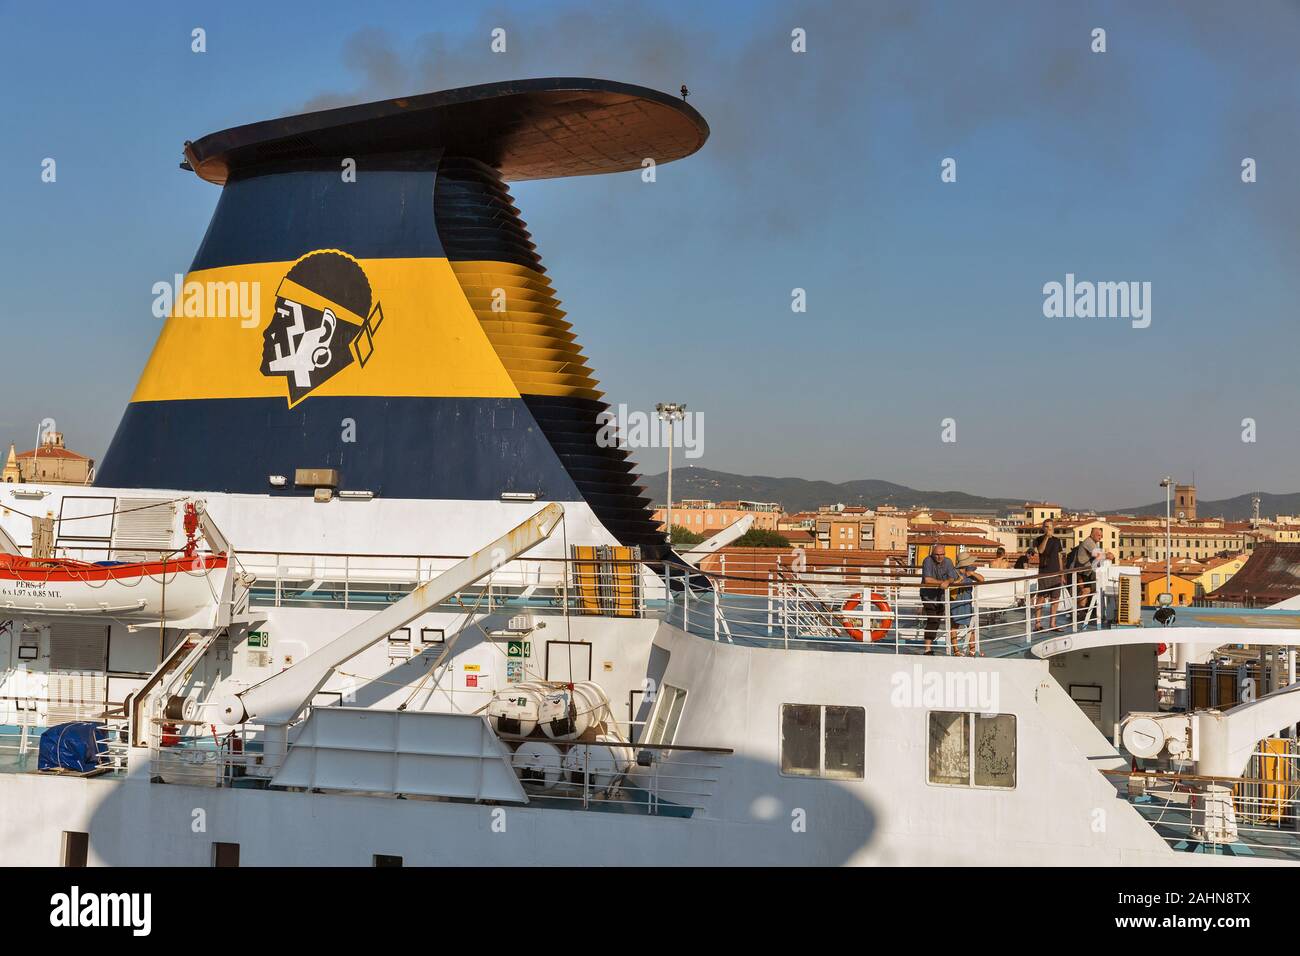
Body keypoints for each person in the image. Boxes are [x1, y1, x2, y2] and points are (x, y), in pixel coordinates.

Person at [919, 540, 958, 655]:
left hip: (941, 596)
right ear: (932, 554)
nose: (939, 557)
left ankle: (930, 646)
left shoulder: (948, 562)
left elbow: (952, 577)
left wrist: (947, 581)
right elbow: (927, 580)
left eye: (942, 554)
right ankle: (927, 649)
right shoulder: (927, 561)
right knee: (933, 620)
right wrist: (942, 582)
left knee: (936, 621)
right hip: (928, 596)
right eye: (937, 554)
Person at [949, 551, 985, 656]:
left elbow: (982, 580)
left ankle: (972, 650)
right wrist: (960, 580)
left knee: (970, 626)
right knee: (955, 626)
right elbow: (950, 586)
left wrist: (972, 573)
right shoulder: (953, 572)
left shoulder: (969, 571)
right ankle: (956, 650)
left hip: (967, 602)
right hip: (957, 601)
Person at [1033, 519, 1065, 632]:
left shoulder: (1057, 541)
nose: (1047, 529)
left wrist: (1062, 573)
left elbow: (1059, 557)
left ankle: (1052, 624)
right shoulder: (1038, 539)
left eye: (1049, 527)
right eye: (1045, 527)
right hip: (1044, 573)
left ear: (1053, 528)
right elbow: (1040, 551)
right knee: (1041, 598)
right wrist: (1046, 537)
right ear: (1043, 528)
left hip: (1056, 573)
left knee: (1055, 598)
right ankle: (1037, 624)